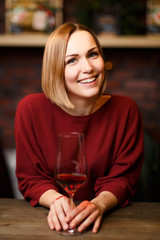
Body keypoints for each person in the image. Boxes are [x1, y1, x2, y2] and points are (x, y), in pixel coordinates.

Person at [15, 22, 144, 234]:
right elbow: (31, 177)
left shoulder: (126, 109)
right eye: (72, 60)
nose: (88, 68)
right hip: (47, 224)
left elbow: (123, 178)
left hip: (111, 226)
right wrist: (56, 200)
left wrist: (99, 204)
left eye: (93, 54)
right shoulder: (30, 109)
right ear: (55, 69)